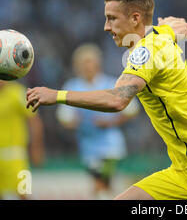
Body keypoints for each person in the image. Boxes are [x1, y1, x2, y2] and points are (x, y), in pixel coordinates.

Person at [26, 0, 187, 200]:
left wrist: (56, 95)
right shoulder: (159, 35)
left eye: (112, 18)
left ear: (135, 19)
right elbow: (179, 26)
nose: (106, 27)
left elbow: (118, 100)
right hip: (184, 171)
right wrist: (174, 29)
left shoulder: (146, 51)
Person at [56, 43, 140, 199]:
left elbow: (132, 110)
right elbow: (64, 118)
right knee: (103, 187)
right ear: (77, 66)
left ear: (98, 64)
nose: (87, 67)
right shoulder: (72, 86)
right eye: (83, 64)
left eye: (90, 62)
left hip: (111, 146)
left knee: (100, 184)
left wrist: (111, 122)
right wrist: (76, 121)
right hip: (88, 147)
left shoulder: (112, 83)